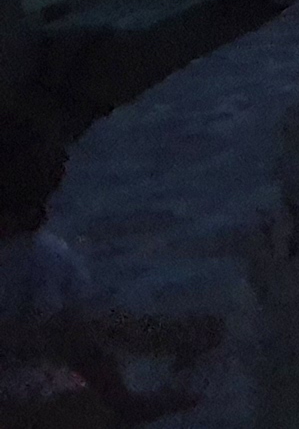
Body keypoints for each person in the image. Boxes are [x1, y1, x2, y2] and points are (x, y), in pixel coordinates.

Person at [0, 107, 215, 424]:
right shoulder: (45, 260)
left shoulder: (42, 261)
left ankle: (178, 338)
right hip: (25, 381)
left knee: (99, 326)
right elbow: (75, 342)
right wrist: (125, 404)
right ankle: (180, 341)